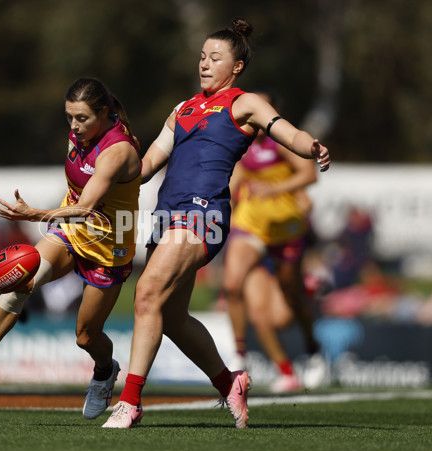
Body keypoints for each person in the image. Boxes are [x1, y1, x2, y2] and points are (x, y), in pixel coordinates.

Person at [102, 18, 330, 429]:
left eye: (215, 58)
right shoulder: (183, 108)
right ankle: (231, 383)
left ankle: (130, 402)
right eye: (202, 57)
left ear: (237, 66)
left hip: (204, 213)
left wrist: (310, 146)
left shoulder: (243, 103)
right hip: (168, 215)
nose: (205, 64)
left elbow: (287, 132)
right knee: (170, 316)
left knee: (147, 292)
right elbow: (150, 164)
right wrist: (115, 163)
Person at [0, 78, 142, 421]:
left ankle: (105, 370)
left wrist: (35, 214)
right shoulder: (76, 138)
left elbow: (88, 205)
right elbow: (75, 198)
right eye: (69, 118)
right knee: (24, 277)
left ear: (104, 112)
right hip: (69, 231)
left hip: (109, 248)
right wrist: (52, 220)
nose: (74, 127)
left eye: (81, 118)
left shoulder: (118, 150)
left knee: (86, 336)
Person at [222, 89, 325, 393]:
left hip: (286, 230)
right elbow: (233, 181)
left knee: (289, 305)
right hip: (251, 226)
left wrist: (276, 190)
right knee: (233, 285)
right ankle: (240, 355)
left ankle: (312, 348)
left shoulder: (281, 141)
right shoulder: (241, 144)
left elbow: (310, 175)